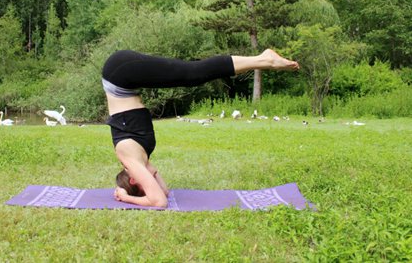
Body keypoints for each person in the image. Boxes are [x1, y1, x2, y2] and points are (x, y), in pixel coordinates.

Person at [102, 49, 299, 208]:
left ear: (135, 180)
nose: (151, 179)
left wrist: (127, 197)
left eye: (145, 184)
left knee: (192, 74)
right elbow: (164, 193)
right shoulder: (141, 158)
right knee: (191, 75)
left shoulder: (128, 156)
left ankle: (264, 59)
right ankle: (263, 59)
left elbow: (158, 202)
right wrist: (139, 190)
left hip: (118, 73)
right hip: (124, 79)